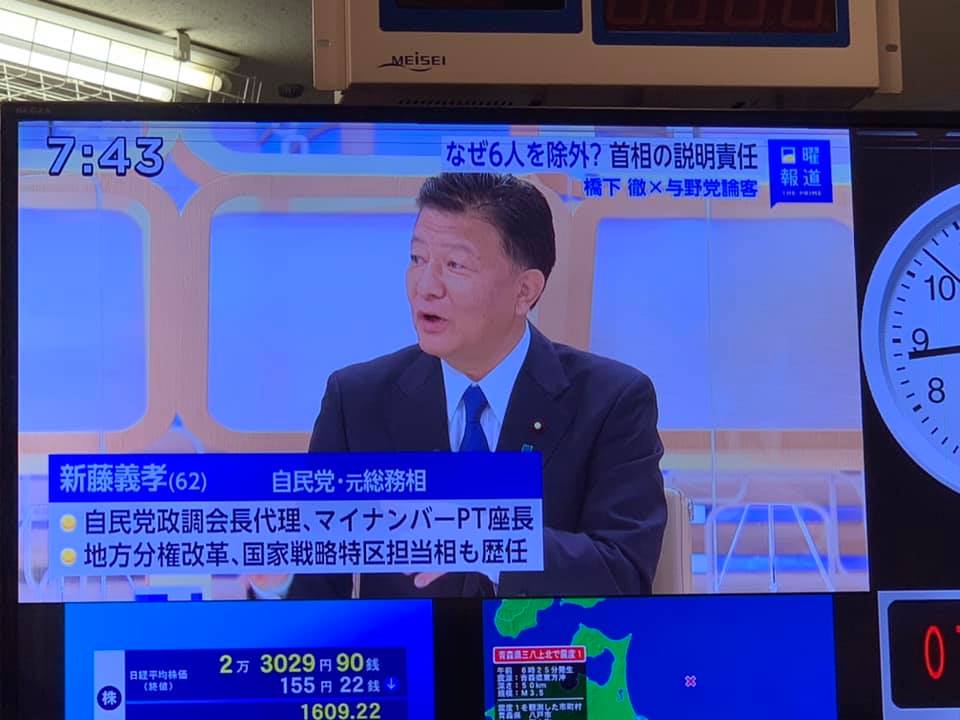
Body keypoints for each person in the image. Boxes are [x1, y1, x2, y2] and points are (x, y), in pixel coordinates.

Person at [253, 171, 666, 599]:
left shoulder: (612, 401)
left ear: (525, 291)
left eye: (455, 265)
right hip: (407, 643)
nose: (426, 287)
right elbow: (314, 587)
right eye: (417, 258)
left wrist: (484, 538)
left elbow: (623, 573)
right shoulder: (357, 400)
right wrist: (275, 580)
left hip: (549, 643)